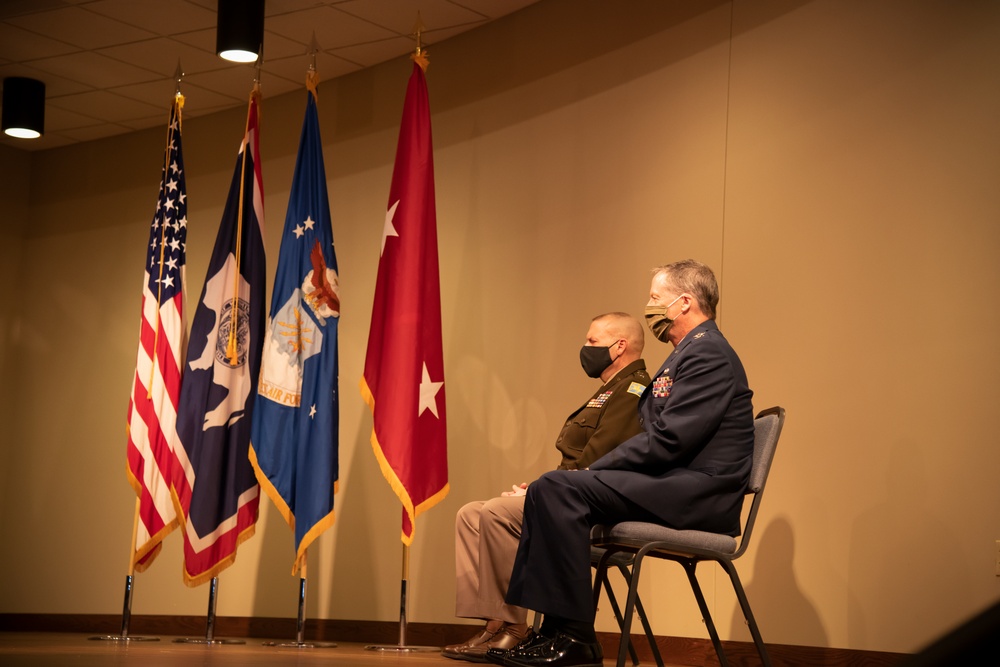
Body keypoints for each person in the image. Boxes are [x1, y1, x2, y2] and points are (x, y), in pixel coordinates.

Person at [487, 260, 755, 667]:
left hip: (700, 491)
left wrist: (593, 471)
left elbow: (668, 440)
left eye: (655, 298)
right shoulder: (688, 353)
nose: (648, 307)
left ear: (684, 303)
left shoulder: (708, 354)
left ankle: (575, 637)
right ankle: (553, 631)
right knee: (551, 488)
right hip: (674, 482)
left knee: (557, 487)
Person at [443, 312, 651, 663]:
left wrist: (542, 491)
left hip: (590, 503)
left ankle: (512, 627)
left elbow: (600, 459)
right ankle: (494, 622)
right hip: (570, 493)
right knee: (470, 514)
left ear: (620, 346)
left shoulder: (634, 390)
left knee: (494, 513)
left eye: (592, 341)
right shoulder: (609, 391)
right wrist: (538, 489)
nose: (585, 348)